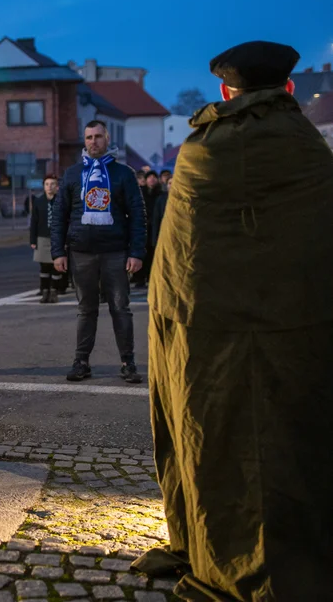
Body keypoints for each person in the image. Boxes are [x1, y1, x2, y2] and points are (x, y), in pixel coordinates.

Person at [133, 41, 333, 600]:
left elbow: (174, 269)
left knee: (213, 441)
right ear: (289, 89)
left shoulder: (200, 154)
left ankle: (212, 550)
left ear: (226, 92)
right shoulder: (312, 152)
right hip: (298, 332)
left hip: (206, 337)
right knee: (292, 444)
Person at [51, 120, 145, 384]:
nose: (94, 141)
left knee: (120, 309)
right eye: (89, 137)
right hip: (81, 253)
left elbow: (138, 214)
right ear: (85, 140)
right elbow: (59, 215)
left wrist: (136, 252)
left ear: (107, 138)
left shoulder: (123, 174)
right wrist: (58, 252)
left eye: (98, 137)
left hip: (116, 251)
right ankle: (81, 362)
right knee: (85, 310)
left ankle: (128, 363)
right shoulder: (71, 174)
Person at [30, 174, 64, 303]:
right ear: (44, 187)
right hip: (42, 237)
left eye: (53, 184)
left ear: (57, 187)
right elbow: (34, 221)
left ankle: (54, 291)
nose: (50, 187)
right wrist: (33, 240)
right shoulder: (39, 201)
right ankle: (45, 291)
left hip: (57, 238)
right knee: (44, 267)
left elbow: (66, 220)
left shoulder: (61, 201)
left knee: (57, 267)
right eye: (47, 184)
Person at [133, 171, 162, 288]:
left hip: (156, 228)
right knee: (141, 253)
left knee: (154, 254)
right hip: (142, 227)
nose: (152, 179)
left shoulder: (161, 194)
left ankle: (152, 278)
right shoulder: (140, 192)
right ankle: (140, 278)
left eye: (154, 177)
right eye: (149, 177)